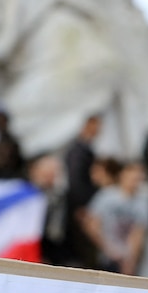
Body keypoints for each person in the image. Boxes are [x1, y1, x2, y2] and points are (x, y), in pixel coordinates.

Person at [86, 162, 148, 275]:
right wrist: (108, 249)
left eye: (138, 179)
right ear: (123, 175)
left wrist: (131, 260)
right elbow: (92, 225)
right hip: (107, 256)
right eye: (132, 178)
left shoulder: (143, 203)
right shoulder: (106, 195)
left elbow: (138, 234)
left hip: (126, 259)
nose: (134, 182)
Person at [63, 114, 103, 266]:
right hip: (80, 206)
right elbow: (76, 179)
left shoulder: (85, 148)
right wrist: (82, 205)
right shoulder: (78, 150)